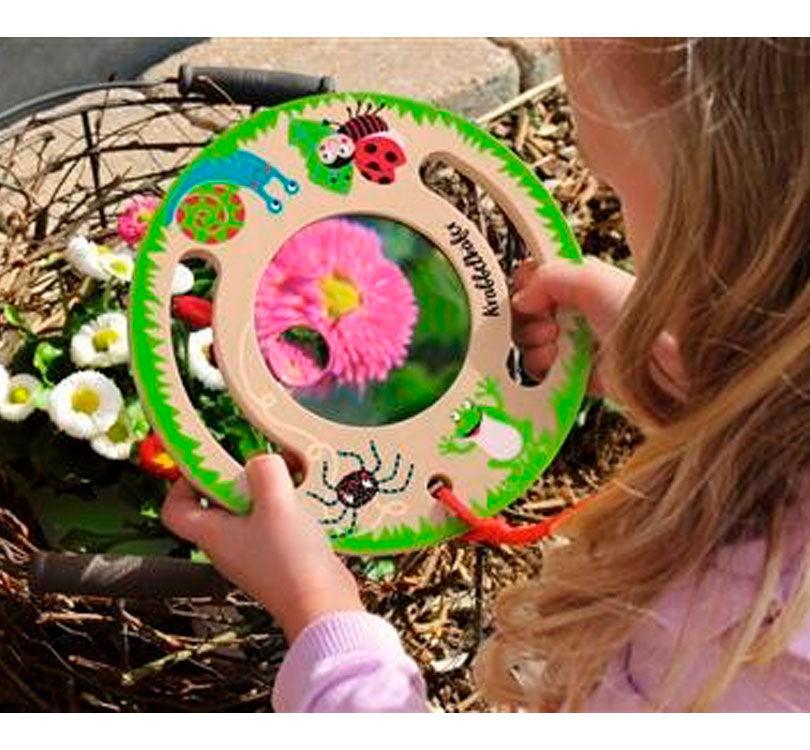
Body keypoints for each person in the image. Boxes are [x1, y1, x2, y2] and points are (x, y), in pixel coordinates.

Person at [162, 38, 810, 711]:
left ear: (728, 225)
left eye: (617, 188)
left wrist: (321, 615)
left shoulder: (759, 666)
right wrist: (693, 382)